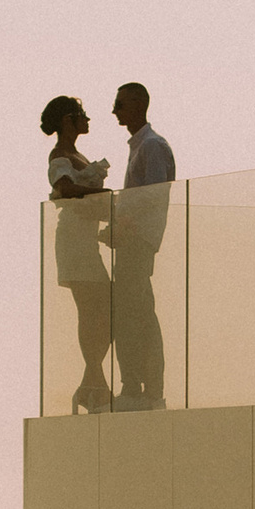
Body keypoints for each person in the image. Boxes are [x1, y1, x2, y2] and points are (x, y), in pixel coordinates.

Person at [41, 95, 112, 413]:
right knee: (94, 307)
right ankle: (94, 382)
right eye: (82, 114)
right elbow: (66, 188)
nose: (88, 119)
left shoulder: (75, 153)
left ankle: (91, 382)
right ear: (68, 120)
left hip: (85, 240)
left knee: (103, 308)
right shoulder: (60, 154)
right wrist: (106, 195)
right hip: (73, 239)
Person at [109, 81, 174, 408]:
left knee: (135, 315)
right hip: (133, 242)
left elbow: (153, 195)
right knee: (135, 313)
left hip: (137, 243)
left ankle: (140, 388)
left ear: (136, 105)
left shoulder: (151, 146)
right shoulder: (142, 145)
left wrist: (124, 222)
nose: (114, 111)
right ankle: (140, 387)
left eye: (119, 104)